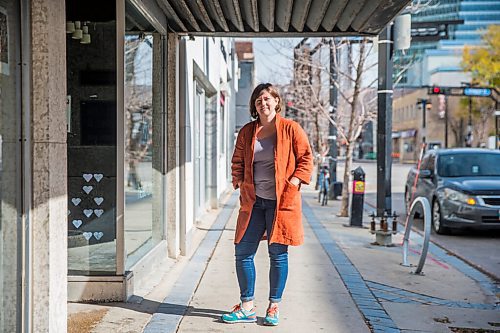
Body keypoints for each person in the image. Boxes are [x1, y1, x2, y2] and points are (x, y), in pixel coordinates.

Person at [222, 83, 313, 326]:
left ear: (276, 101)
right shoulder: (247, 131)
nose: (263, 103)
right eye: (258, 100)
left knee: (278, 255)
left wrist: (293, 183)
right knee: (242, 252)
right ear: (254, 106)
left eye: (267, 98)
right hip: (253, 202)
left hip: (281, 203)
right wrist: (240, 182)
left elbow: (306, 159)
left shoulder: (291, 129)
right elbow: (237, 160)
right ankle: (247, 307)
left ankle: (273, 306)